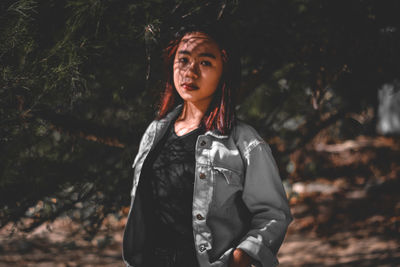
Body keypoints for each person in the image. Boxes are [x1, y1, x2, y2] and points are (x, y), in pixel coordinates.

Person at [122, 23, 292, 267]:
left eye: (205, 62)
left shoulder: (244, 142)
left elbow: (273, 213)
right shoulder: (154, 132)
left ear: (224, 70)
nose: (190, 72)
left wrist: (243, 255)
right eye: (183, 60)